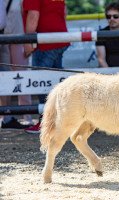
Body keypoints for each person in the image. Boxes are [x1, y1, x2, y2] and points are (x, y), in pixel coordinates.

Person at [22, 0, 70, 133]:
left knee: (41, 82)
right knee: (55, 83)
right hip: (60, 38)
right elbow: (64, 13)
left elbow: (33, 16)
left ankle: (46, 123)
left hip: (45, 42)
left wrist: (27, 43)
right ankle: (58, 121)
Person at [0, 0, 30, 129]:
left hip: (16, 37)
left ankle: (26, 114)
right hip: (9, 37)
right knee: (6, 76)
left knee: (21, 74)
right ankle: (7, 115)